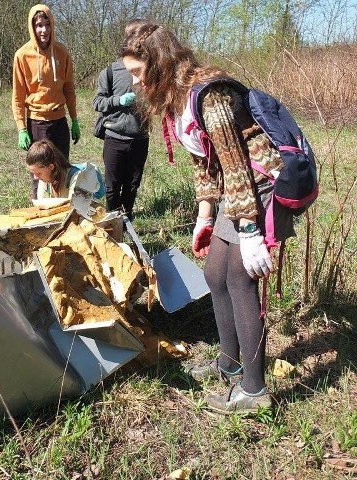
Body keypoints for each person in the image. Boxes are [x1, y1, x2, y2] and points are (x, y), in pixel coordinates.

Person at [122, 23, 296, 414]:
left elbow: (235, 165)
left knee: (239, 278)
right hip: (236, 190)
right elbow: (204, 161)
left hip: (260, 185)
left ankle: (253, 391)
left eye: (137, 71)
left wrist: (250, 231)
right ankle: (229, 364)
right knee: (215, 273)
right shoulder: (175, 99)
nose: (134, 81)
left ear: (158, 62)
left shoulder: (209, 93)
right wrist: (204, 214)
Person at [12, 4, 80, 199]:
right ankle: (41, 213)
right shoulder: (22, 55)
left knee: (61, 170)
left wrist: (74, 119)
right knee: (40, 173)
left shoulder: (62, 52)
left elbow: (69, 88)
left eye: (47, 24)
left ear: (53, 25)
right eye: (39, 25)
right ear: (32, 28)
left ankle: (61, 212)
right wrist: (21, 129)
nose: (44, 30)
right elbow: (17, 96)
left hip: (59, 121)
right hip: (37, 123)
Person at [92, 21, 149, 221]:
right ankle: (112, 222)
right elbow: (97, 102)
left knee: (132, 184)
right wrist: (118, 101)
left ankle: (127, 221)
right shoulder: (110, 71)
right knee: (112, 186)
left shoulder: (150, 71)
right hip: (115, 137)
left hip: (140, 137)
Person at [26, 139, 105, 201]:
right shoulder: (44, 177)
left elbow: (75, 211)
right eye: (33, 173)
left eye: (38, 173)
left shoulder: (78, 177)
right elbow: (43, 205)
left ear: (51, 167)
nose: (35, 177)